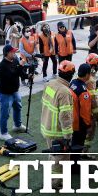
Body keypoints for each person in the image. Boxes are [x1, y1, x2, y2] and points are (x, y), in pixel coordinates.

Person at [41, 61, 75, 189]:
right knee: (60, 159)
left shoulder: (49, 84)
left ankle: (53, 178)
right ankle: (55, 182)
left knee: (53, 154)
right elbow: (65, 116)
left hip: (46, 125)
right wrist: (68, 136)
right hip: (57, 131)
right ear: (71, 75)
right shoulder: (65, 92)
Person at [0, 44, 28, 141]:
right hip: (5, 93)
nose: (14, 53)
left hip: (15, 91)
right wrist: (21, 65)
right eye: (12, 52)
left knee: (18, 107)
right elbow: (11, 76)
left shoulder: (15, 60)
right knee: (5, 113)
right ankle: (3, 133)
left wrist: (27, 76)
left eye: (14, 51)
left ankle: (17, 125)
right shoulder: (2, 65)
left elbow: (20, 72)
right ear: (7, 53)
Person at [68, 64, 97, 158]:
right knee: (78, 144)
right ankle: (75, 165)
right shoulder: (83, 91)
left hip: (72, 118)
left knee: (73, 143)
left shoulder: (73, 82)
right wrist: (88, 124)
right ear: (87, 75)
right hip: (79, 124)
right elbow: (85, 111)